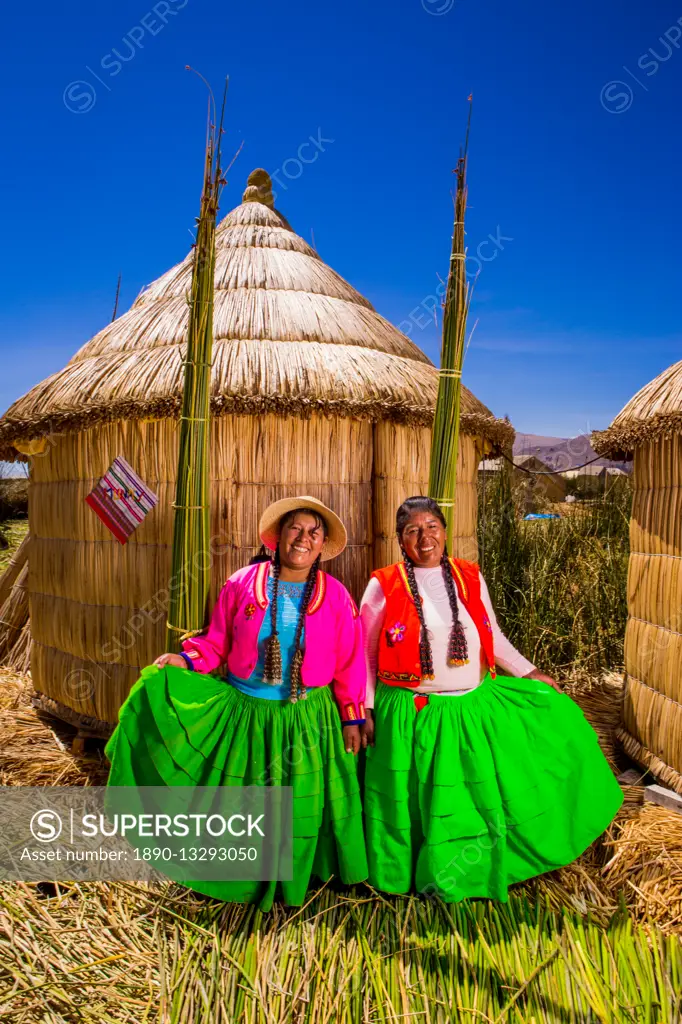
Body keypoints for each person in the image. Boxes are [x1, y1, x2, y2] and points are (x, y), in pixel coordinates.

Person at [105, 496, 368, 910]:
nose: (303, 538)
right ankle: (234, 876)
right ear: (278, 536)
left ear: (321, 546)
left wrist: (352, 715)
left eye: (313, 533)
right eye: (295, 529)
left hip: (307, 720)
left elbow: (350, 662)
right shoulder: (242, 583)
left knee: (299, 805)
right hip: (248, 714)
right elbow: (216, 643)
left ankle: (292, 882)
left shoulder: (335, 597)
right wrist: (186, 659)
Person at [359, 495, 623, 902]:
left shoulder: (468, 576)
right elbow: (366, 654)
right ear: (400, 540)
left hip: (469, 709)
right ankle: (411, 871)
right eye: (412, 530)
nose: (424, 537)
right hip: (410, 714)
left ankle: (473, 871)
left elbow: (492, 636)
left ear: (444, 532)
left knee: (472, 798)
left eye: (431, 527)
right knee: (414, 802)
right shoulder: (384, 584)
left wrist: (529, 672)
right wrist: (368, 709)